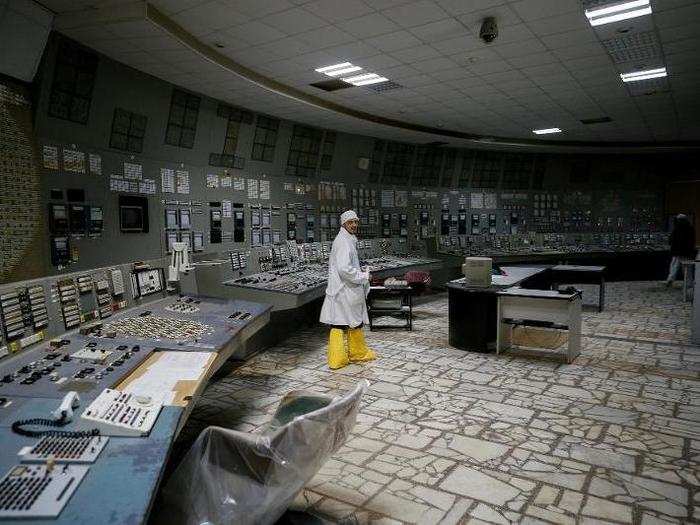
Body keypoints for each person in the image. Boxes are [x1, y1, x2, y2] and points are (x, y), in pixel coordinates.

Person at [320, 210, 376, 369]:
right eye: (350, 222)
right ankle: (337, 359)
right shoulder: (343, 241)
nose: (354, 225)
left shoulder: (348, 239)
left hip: (348, 290)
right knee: (339, 324)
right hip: (344, 290)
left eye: (356, 222)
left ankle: (357, 353)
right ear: (343, 223)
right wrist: (363, 276)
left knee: (354, 323)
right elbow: (344, 269)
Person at [666, 214, 696, 286]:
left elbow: (671, 240)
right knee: (687, 269)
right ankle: (689, 283)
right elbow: (692, 241)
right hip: (687, 252)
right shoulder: (690, 228)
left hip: (676, 252)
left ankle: (670, 279)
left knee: (674, 267)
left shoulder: (676, 229)